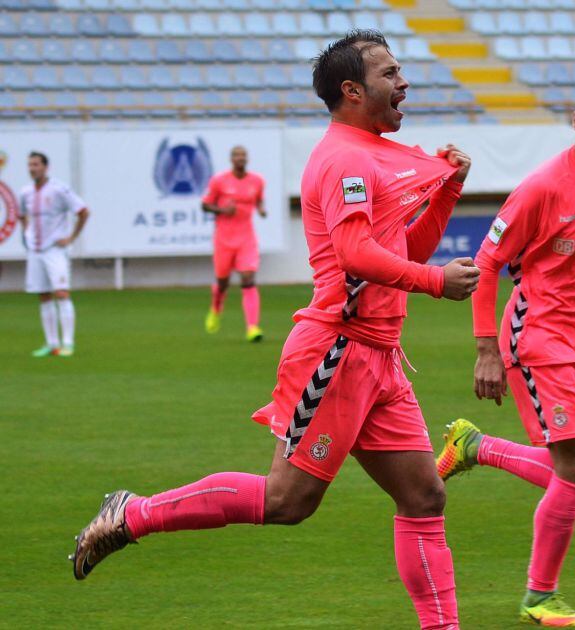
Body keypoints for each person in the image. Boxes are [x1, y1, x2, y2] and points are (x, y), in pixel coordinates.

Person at [70, 30, 480, 629]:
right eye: (390, 73)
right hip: (338, 352)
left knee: (424, 496)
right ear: (352, 89)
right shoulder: (345, 159)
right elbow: (355, 254)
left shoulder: (365, 156)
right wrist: (436, 282)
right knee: (286, 501)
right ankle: (133, 514)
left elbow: (400, 249)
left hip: (380, 356)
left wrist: (448, 193)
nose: (404, 82)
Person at [436, 76, 575, 628]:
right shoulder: (542, 187)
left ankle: (474, 446)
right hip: (535, 336)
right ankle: (540, 597)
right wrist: (486, 349)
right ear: (573, 120)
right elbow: (486, 263)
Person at [18, 151, 89, 358]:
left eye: (36, 164)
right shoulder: (25, 192)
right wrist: (27, 234)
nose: (32, 168)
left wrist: (71, 238)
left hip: (55, 249)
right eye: (30, 165)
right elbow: (22, 215)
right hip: (35, 250)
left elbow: (83, 211)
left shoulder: (59, 190)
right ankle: (51, 344)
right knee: (43, 295)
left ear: (46, 167)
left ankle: (68, 343)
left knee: (62, 293)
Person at [201, 145, 266, 342]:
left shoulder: (257, 181)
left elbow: (259, 200)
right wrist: (221, 211)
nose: (240, 158)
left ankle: (252, 327)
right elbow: (205, 204)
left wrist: (261, 209)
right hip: (224, 239)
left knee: (248, 279)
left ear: (247, 159)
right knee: (223, 283)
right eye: (237, 155)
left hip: (246, 237)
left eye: (243, 155)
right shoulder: (219, 181)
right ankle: (215, 308)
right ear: (231, 159)